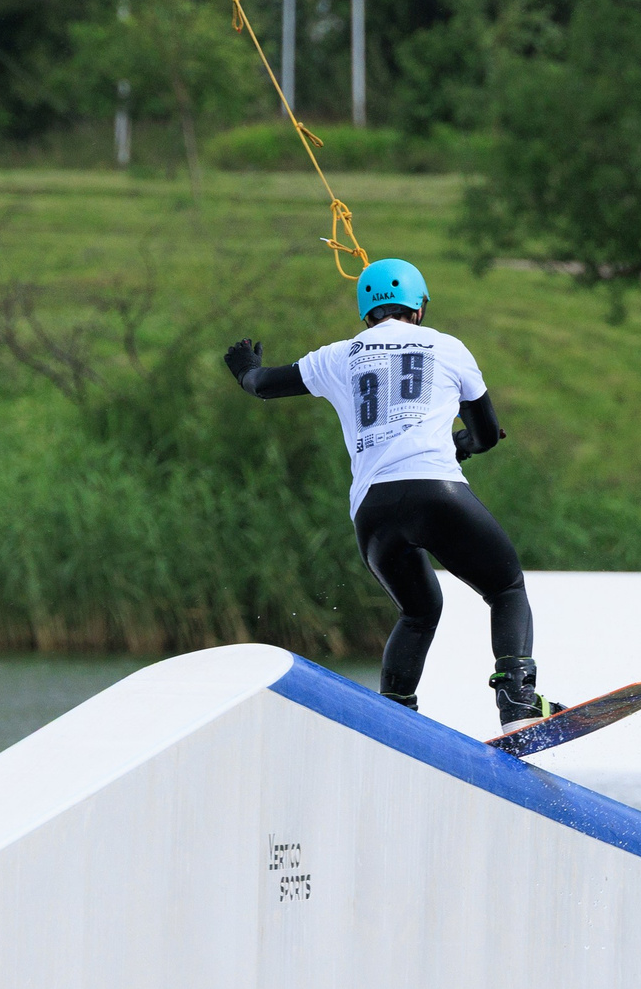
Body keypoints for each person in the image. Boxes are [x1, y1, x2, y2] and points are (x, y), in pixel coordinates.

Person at [223, 257, 558, 730]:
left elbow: (262, 385)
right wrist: (462, 444)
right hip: (436, 491)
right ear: (419, 307)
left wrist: (244, 369)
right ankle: (518, 700)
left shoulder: (339, 356)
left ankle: (394, 720)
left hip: (373, 512)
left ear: (366, 313)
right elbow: (485, 434)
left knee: (419, 610)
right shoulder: (448, 348)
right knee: (505, 588)